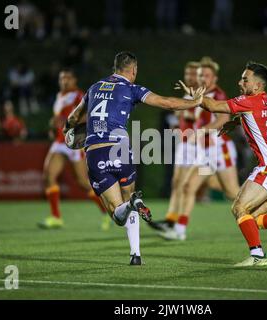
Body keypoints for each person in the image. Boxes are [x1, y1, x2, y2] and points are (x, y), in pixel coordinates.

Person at [64, 51, 205, 265]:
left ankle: (132, 206)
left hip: (96, 151)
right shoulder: (132, 88)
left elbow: (74, 117)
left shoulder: (94, 87)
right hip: (121, 149)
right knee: (127, 197)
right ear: (133, 70)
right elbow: (166, 103)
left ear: (115, 67)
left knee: (115, 211)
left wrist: (68, 130)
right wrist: (195, 102)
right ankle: (135, 253)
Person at [179, 61, 267, 267]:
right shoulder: (265, 100)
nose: (240, 82)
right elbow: (253, 117)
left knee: (239, 208)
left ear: (257, 85)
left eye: (245, 79)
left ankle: (258, 256)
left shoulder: (248, 101)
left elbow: (213, 106)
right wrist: (235, 122)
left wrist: (194, 96)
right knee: (253, 218)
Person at [158, 57, 240, 241]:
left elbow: (222, 120)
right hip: (205, 151)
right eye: (201, 75)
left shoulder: (218, 95)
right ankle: (179, 230)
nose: (204, 78)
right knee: (189, 186)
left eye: (208, 75)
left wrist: (202, 130)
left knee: (231, 192)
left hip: (220, 149)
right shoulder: (198, 95)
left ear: (215, 78)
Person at [38, 69, 106, 229]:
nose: (64, 81)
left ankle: (106, 210)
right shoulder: (59, 96)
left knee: (83, 182)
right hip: (60, 141)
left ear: (74, 80)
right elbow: (59, 119)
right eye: (62, 78)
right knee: (48, 175)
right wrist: (54, 126)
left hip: (75, 142)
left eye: (68, 78)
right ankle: (56, 217)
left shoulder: (78, 95)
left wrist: (69, 121)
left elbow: (90, 114)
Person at [147, 60, 200, 232]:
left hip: (199, 146)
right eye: (188, 73)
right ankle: (171, 220)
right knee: (177, 182)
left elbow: (198, 117)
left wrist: (185, 112)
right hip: (184, 144)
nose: (189, 77)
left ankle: (178, 224)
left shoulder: (202, 95)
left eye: (193, 74)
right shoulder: (187, 95)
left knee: (190, 185)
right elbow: (180, 118)